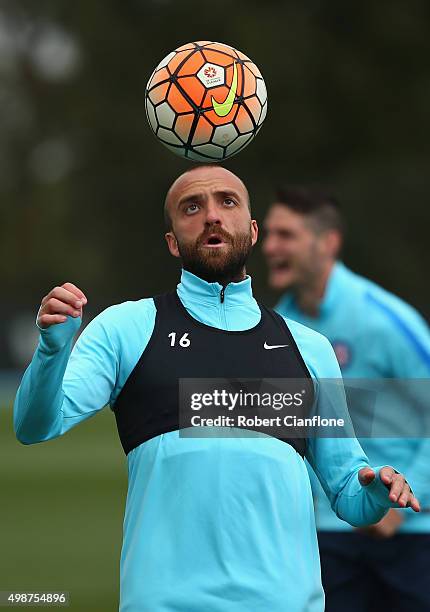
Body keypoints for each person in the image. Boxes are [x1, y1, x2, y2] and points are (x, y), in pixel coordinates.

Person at [14, 167, 419, 612]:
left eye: (227, 202)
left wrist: (377, 492)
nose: (211, 216)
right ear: (172, 241)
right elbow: (35, 425)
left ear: (251, 229)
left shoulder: (310, 348)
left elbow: (348, 495)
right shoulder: (126, 328)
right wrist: (52, 349)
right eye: (192, 206)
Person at [262, 185, 430, 612]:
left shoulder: (384, 320)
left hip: (410, 534)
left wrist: (404, 503)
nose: (270, 246)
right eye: (269, 234)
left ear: (328, 242)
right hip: (326, 536)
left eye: (286, 235)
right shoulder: (279, 330)